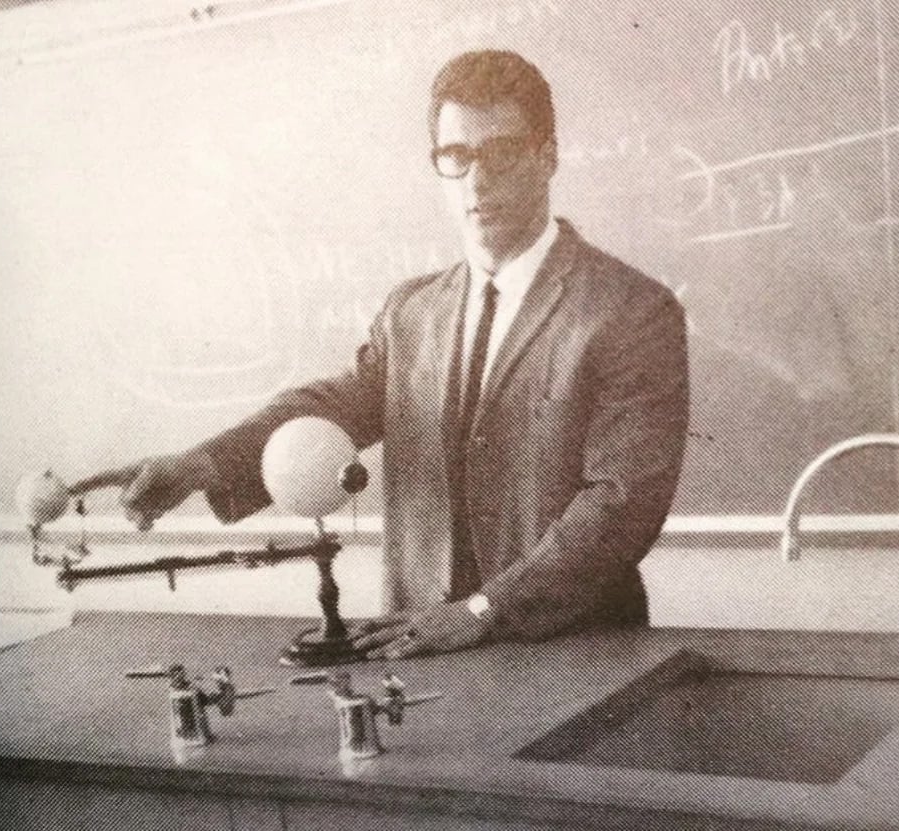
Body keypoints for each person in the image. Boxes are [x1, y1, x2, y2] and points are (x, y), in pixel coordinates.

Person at [71, 50, 689, 660]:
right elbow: (333, 407)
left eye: (501, 153)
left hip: (571, 654)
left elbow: (621, 502)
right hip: (412, 642)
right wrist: (202, 465)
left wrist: (483, 612)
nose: (478, 179)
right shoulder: (411, 312)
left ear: (547, 156)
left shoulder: (630, 310)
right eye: (457, 156)